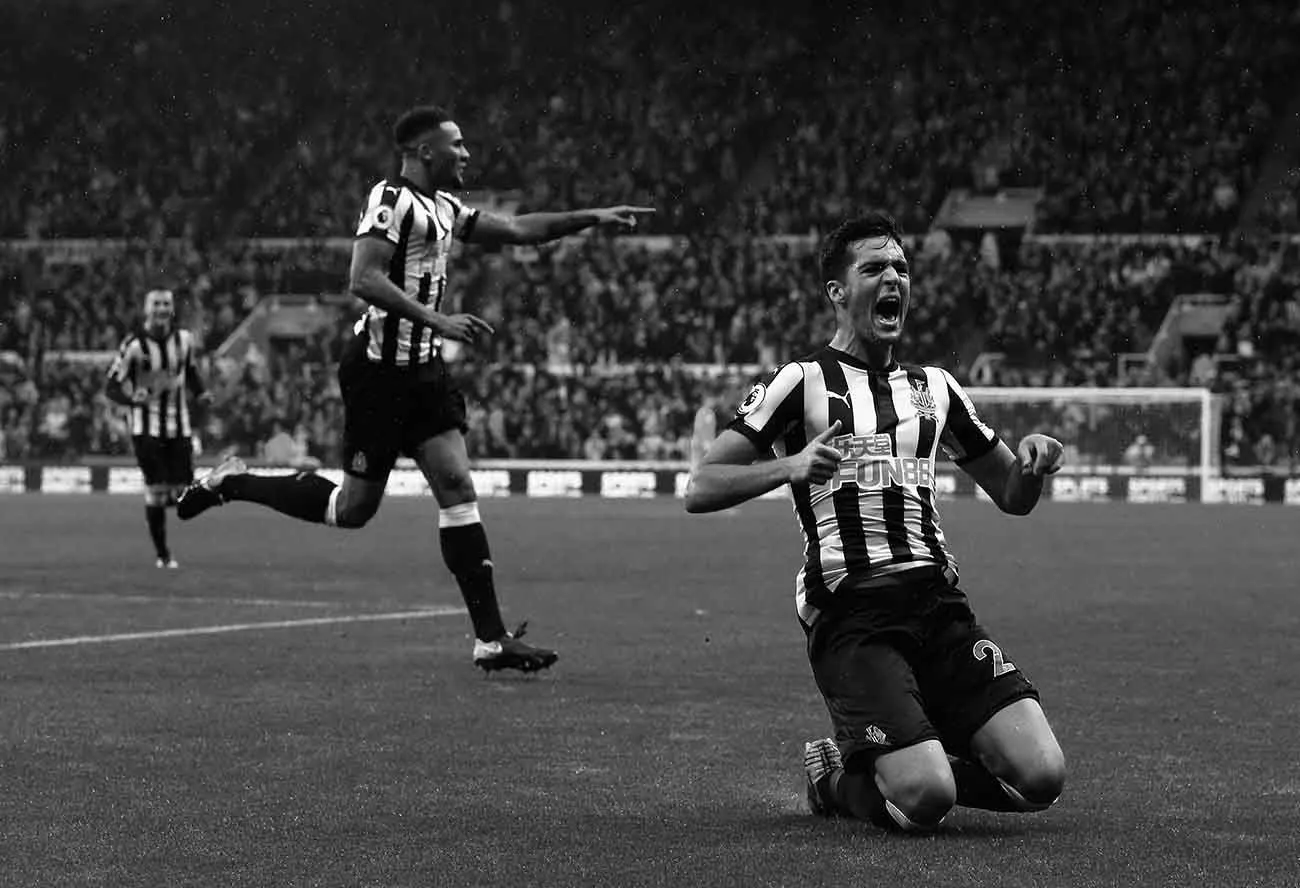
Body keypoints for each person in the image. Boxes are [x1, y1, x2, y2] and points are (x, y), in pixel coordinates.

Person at [176, 105, 653, 673]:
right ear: (425, 152)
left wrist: (591, 217)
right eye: (457, 145)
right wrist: (438, 319)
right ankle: (235, 481)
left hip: (424, 374)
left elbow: (521, 230)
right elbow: (363, 278)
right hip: (378, 373)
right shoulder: (389, 199)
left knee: (456, 484)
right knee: (352, 511)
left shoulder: (446, 208)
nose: (467, 153)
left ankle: (491, 639)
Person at [684, 212, 1067, 831]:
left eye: (900, 268)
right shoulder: (801, 382)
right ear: (837, 291)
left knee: (1044, 778)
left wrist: (1032, 462)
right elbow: (701, 487)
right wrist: (792, 467)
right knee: (927, 799)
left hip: (938, 607)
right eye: (874, 268)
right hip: (852, 614)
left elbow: (1012, 496)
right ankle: (839, 780)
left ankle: (904, 742)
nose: (893, 277)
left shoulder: (935, 388)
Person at [105, 289, 211, 568]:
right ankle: (163, 555)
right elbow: (111, 386)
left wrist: (200, 393)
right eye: (156, 304)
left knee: (184, 492)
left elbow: (191, 371)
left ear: (172, 309)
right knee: (157, 489)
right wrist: (130, 399)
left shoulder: (184, 340)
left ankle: (161, 504)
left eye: (166, 304)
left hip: (180, 427)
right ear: (146, 309)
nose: (162, 308)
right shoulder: (134, 345)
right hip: (146, 429)